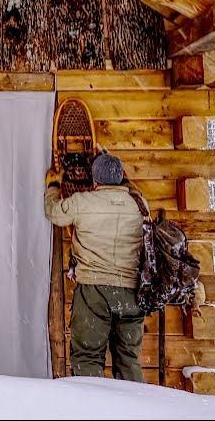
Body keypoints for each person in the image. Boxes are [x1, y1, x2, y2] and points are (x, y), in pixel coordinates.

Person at [44, 153, 146, 382]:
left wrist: (53, 185)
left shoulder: (83, 202)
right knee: (129, 359)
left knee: (88, 358)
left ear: (95, 180)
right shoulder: (139, 203)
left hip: (93, 291)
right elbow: (131, 190)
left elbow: (53, 212)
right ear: (121, 179)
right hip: (131, 293)